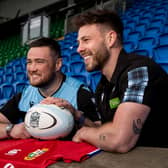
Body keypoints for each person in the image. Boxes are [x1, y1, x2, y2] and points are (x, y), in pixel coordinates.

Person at [72, 9, 168, 153]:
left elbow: (120, 140)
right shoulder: (103, 86)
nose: (79, 49)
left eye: (86, 40)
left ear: (110, 39)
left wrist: (83, 133)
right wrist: (77, 116)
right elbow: (106, 132)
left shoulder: (139, 71)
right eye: (78, 43)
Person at [0, 37, 99, 139]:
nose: (32, 68)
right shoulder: (25, 95)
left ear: (57, 64)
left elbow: (101, 132)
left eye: (39, 61)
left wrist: (77, 115)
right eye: (29, 62)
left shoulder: (79, 93)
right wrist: (10, 129)